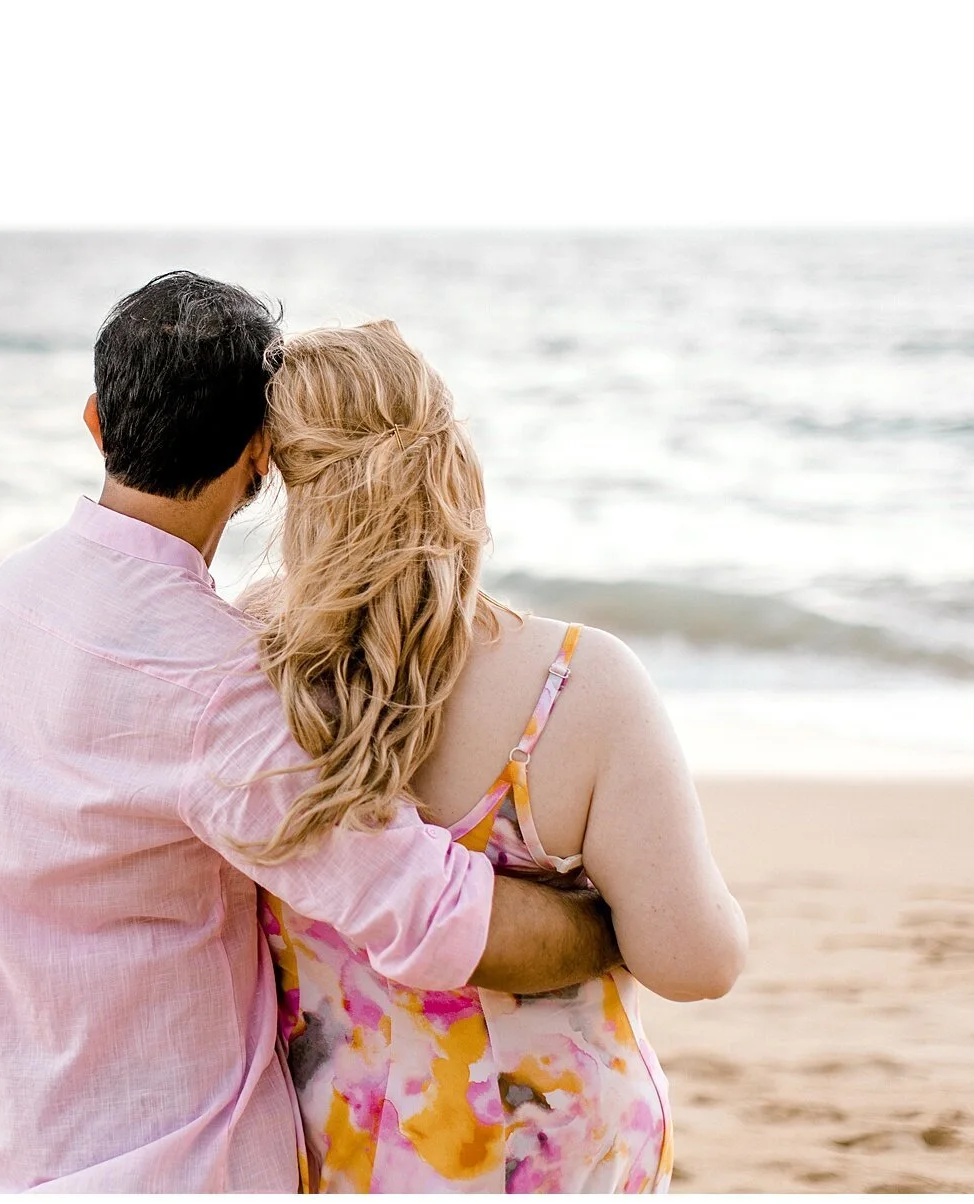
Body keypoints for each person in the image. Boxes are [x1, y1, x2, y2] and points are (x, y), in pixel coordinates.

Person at [0, 272, 623, 1192]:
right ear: (261, 459)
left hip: (6, 1154)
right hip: (174, 1171)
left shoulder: (9, 602)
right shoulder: (217, 690)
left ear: (96, 421)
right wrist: (622, 922)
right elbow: (437, 918)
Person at [245, 320, 748, 1192]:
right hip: (549, 1154)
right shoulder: (579, 684)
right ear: (455, 470)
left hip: (342, 1148)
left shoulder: (246, 658)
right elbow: (696, 962)